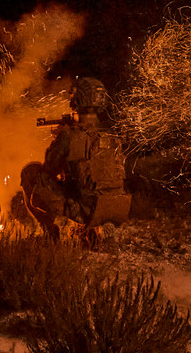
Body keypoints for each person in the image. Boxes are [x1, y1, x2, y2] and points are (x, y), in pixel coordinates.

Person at [15, 77, 131, 244]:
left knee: (31, 173)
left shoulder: (70, 136)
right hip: (118, 207)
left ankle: (50, 234)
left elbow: (49, 170)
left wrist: (58, 139)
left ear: (77, 100)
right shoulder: (113, 134)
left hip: (87, 209)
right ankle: (95, 232)